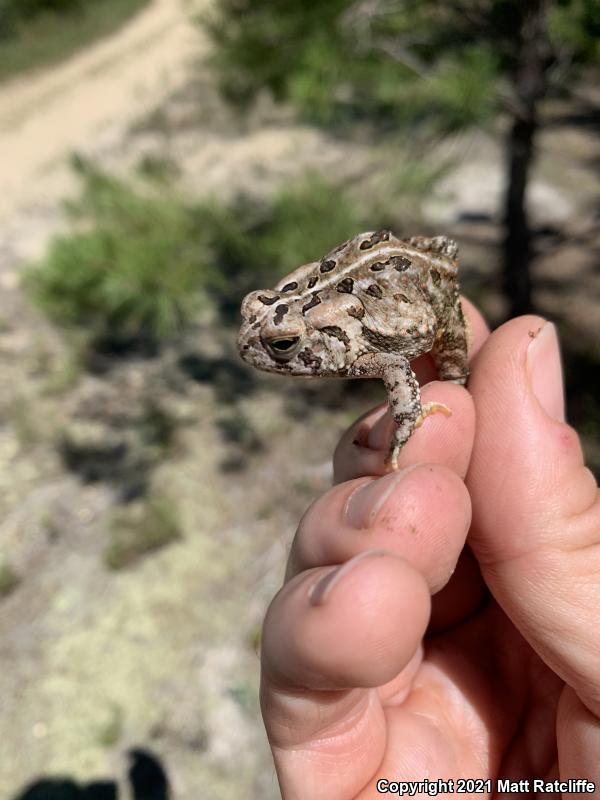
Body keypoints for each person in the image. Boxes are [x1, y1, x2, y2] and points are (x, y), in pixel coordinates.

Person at [259, 300, 600, 798]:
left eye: (285, 346)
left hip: (419, 306)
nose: (267, 352)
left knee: (410, 473)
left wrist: (408, 414)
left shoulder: (353, 345)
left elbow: (394, 361)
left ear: (317, 339)